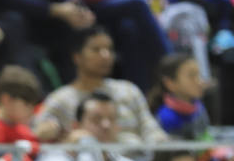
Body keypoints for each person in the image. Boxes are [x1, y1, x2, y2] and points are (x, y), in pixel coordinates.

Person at [35, 24, 167, 146]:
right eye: (96, 50)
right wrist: (49, 130)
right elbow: (37, 131)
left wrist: (161, 146)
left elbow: (150, 129)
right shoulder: (60, 99)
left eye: (109, 49)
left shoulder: (129, 90)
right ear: (77, 57)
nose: (106, 55)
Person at [148, 51, 211, 140]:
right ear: (170, 83)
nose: (200, 81)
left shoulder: (199, 108)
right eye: (191, 76)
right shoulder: (166, 117)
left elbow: (206, 141)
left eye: (199, 75)